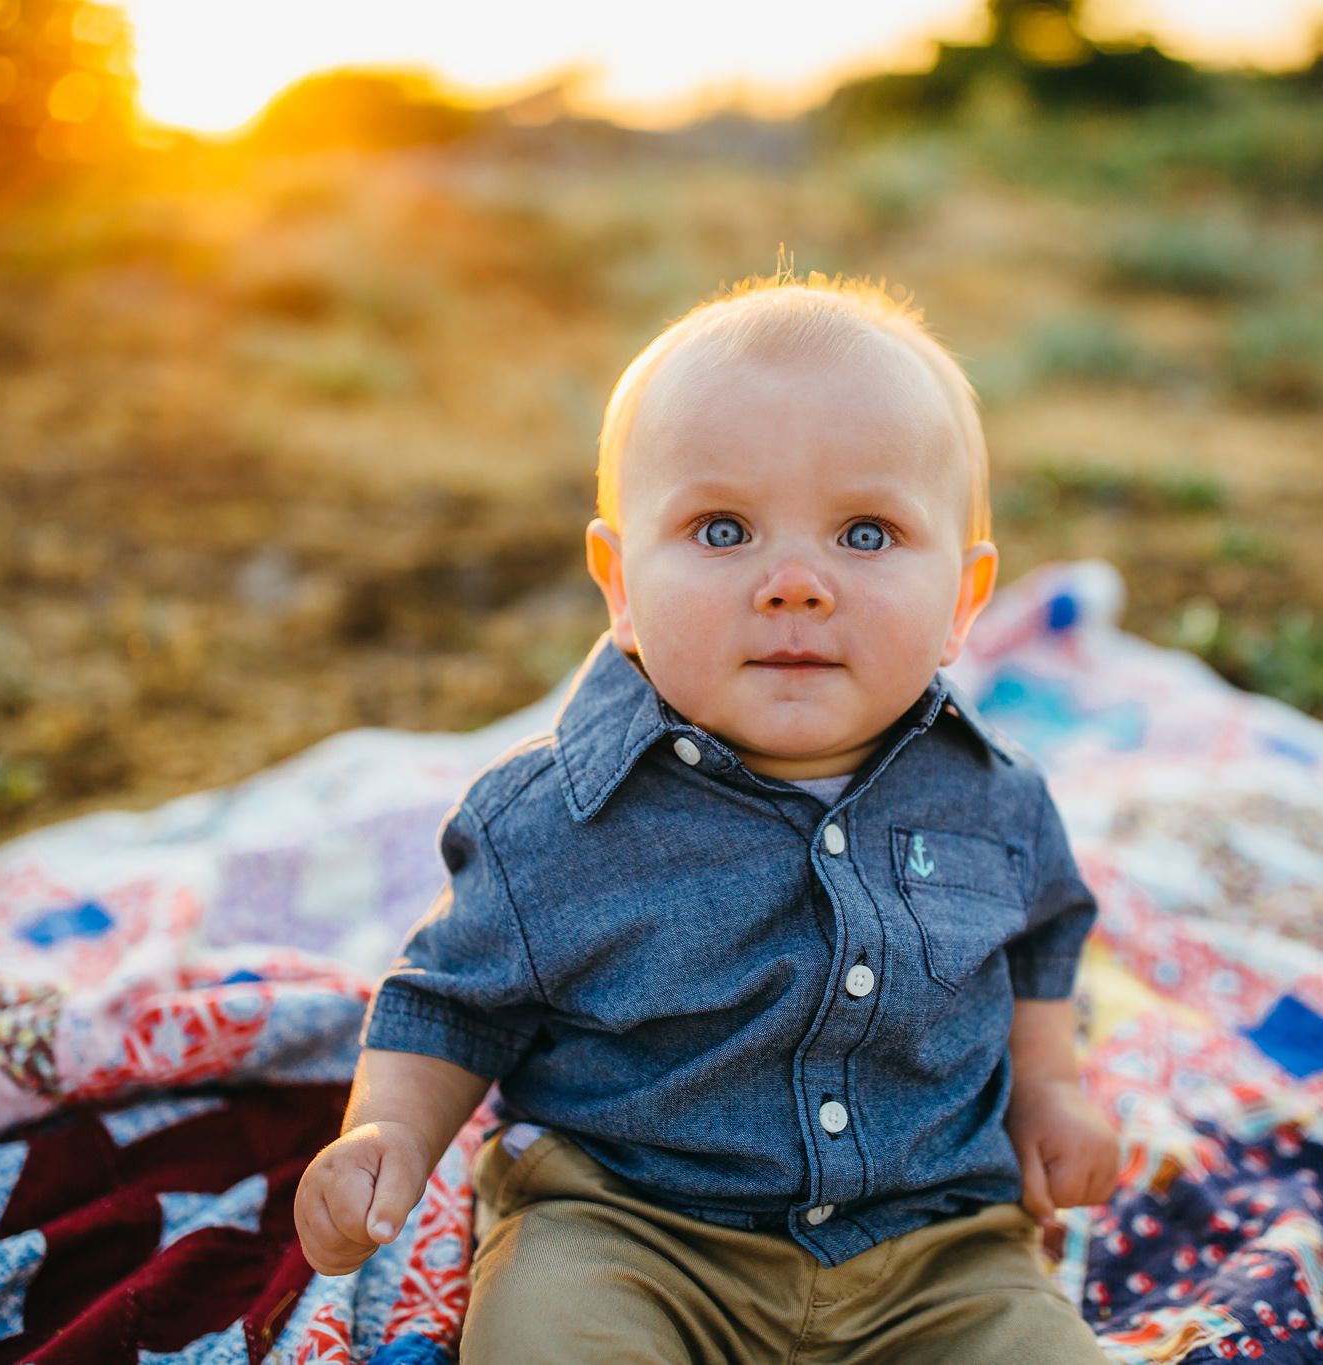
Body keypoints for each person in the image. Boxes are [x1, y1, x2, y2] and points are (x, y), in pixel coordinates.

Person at [293, 271, 1121, 1360]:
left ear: (963, 601)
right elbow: (452, 1003)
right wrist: (387, 1133)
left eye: (865, 534)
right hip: (630, 1235)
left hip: (941, 1254)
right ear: (620, 583)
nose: (793, 582)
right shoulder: (551, 820)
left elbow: (1033, 947)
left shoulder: (997, 800)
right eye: (721, 528)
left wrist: (1050, 1094)